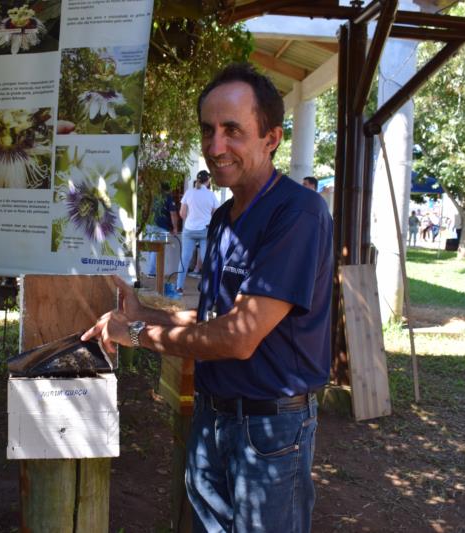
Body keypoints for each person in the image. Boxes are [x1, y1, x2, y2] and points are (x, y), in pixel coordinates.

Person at [82, 63, 333, 532]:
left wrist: (135, 332)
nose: (215, 147)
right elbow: (216, 316)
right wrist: (150, 312)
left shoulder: (298, 213)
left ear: (272, 138)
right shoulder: (222, 218)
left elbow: (238, 338)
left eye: (233, 131)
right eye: (208, 130)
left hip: (270, 431)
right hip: (212, 416)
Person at [176, 169, 219, 292]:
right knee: (206, 259)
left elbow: (182, 213)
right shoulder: (211, 195)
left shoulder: (189, 193)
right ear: (208, 181)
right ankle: (207, 288)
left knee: (184, 258)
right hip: (205, 230)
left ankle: (179, 287)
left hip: (189, 229)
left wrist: (191, 219)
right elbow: (215, 214)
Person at [145, 182, 179, 277]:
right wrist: (175, 228)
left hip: (149, 225)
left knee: (151, 249)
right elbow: (173, 214)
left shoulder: (154, 197)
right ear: (169, 189)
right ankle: (152, 272)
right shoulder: (168, 198)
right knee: (157, 250)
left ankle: (151, 271)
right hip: (160, 227)